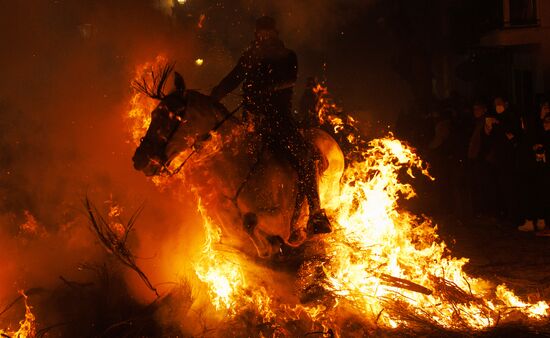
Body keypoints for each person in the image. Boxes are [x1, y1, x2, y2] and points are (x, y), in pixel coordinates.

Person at [210, 16, 331, 234]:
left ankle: (316, 213)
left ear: (275, 33)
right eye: (261, 33)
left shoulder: (287, 56)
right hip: (252, 122)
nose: (264, 36)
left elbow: (289, 80)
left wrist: (263, 89)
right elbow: (233, 78)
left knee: (304, 157)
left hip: (279, 120)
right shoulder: (250, 57)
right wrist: (217, 92)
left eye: (268, 32)